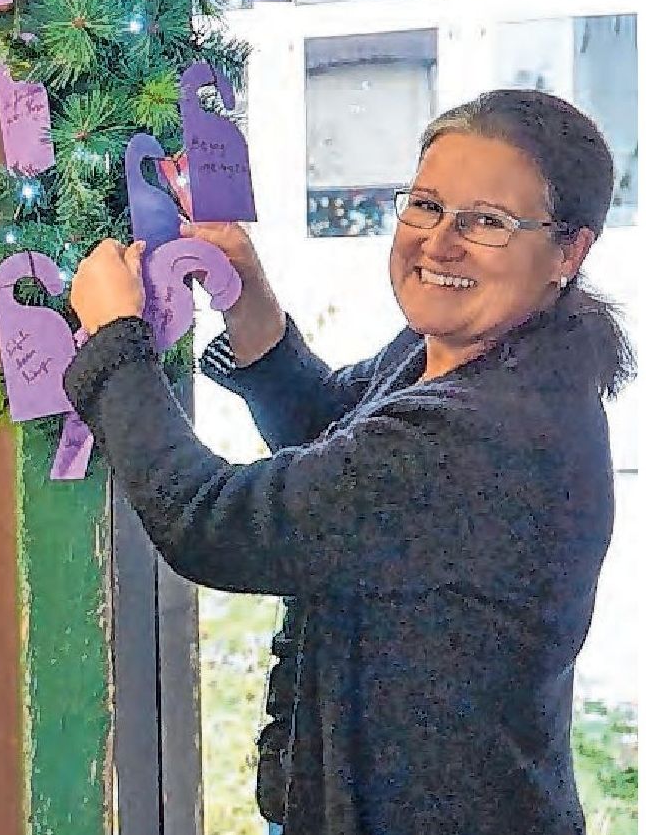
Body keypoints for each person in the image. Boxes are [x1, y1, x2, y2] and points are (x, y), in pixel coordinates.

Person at [65, 90, 630, 834]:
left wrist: (114, 345)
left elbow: (215, 524)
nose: (438, 242)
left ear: (567, 251)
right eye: (425, 205)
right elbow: (336, 438)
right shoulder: (466, 356)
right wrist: (249, 298)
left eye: (486, 222)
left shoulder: (488, 430)